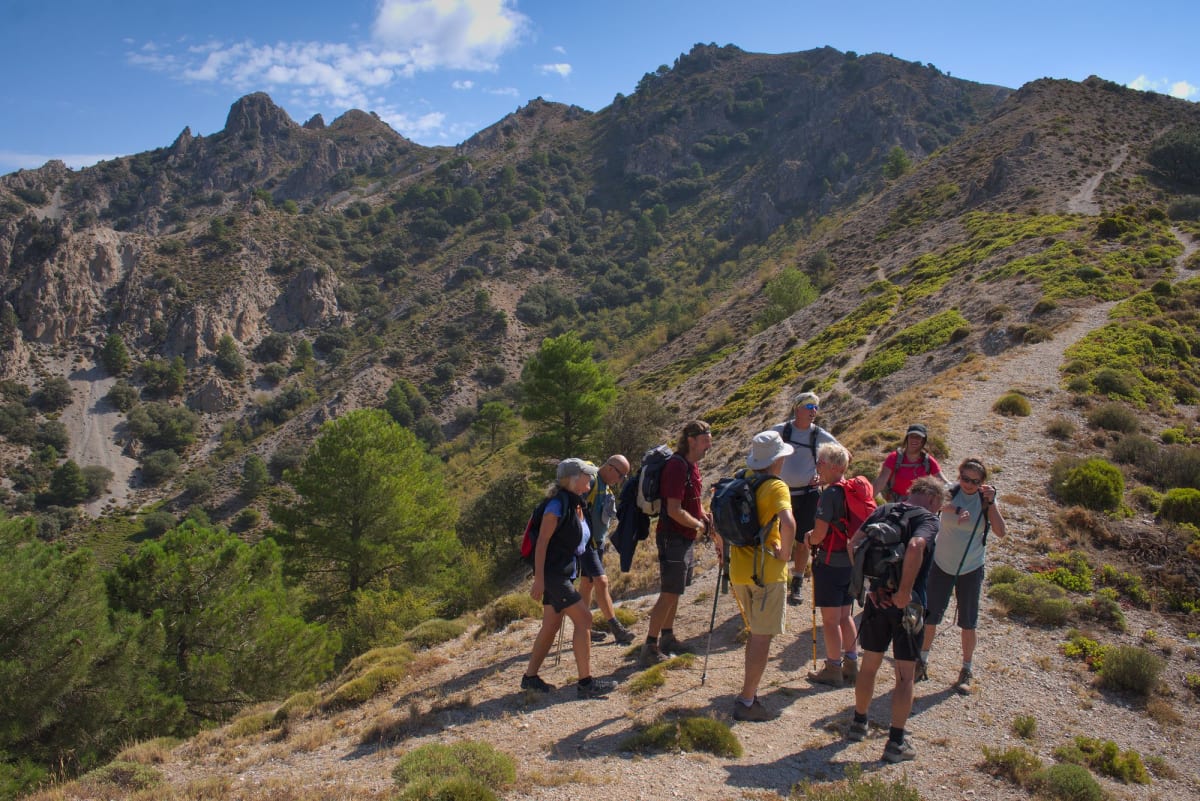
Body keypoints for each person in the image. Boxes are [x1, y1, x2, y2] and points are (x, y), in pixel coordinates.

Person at [846, 476, 946, 763]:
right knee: (904, 675)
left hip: (877, 602)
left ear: (911, 492)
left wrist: (870, 589)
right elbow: (916, 547)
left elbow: (853, 545)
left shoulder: (884, 510)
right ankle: (896, 742)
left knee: (869, 666)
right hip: (909, 607)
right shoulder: (928, 519)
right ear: (934, 501)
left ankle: (858, 723)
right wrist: (903, 592)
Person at [711, 430, 796, 721]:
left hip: (739, 571)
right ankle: (747, 701)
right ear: (776, 460)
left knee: (755, 633)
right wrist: (785, 554)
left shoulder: (740, 478)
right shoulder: (776, 487)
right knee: (762, 636)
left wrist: (723, 552)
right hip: (766, 572)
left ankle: (750, 693)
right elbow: (789, 523)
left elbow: (717, 524)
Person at [521, 458, 618, 699]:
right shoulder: (557, 505)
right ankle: (586, 684)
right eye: (587, 475)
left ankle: (530, 678)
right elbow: (542, 543)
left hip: (563, 573)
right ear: (574, 479)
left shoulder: (576, 503)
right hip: (554, 575)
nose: (591, 478)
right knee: (584, 620)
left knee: (551, 625)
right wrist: (539, 580)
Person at [918, 457, 1006, 694]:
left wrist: (992, 503)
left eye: (974, 481)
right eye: (965, 478)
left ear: (983, 483)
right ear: (959, 476)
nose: (968, 484)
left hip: (970, 568)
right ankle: (922, 661)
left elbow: (1001, 532)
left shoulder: (985, 501)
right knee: (930, 617)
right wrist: (956, 508)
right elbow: (928, 505)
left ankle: (966, 668)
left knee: (968, 621)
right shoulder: (950, 493)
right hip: (941, 564)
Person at [639, 420, 715, 666]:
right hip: (673, 536)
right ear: (691, 440)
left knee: (676, 591)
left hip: (684, 536)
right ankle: (650, 646)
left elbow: (692, 502)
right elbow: (673, 509)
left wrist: (702, 516)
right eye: (705, 441)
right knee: (669, 591)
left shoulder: (692, 466)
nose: (709, 446)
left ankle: (668, 637)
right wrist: (698, 524)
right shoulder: (676, 467)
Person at [771, 392, 840, 606]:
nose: (814, 411)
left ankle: (797, 582)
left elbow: (843, 454)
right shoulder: (780, 431)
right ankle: (775, 582)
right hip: (780, 494)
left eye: (816, 407)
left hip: (808, 495)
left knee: (803, 542)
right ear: (797, 408)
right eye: (809, 406)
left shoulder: (818, 434)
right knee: (777, 540)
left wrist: (826, 477)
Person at [805, 442, 859, 687]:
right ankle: (851, 663)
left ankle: (833, 668)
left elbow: (819, 534)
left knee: (830, 620)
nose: (818, 467)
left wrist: (808, 539)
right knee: (846, 615)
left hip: (829, 562)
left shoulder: (830, 494)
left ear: (833, 466)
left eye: (820, 463)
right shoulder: (852, 489)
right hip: (851, 561)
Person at [580, 454, 635, 645]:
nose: (621, 481)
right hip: (587, 545)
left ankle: (583, 626)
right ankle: (616, 628)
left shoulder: (603, 485)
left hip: (596, 544)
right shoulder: (592, 481)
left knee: (587, 585)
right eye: (621, 476)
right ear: (611, 468)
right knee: (601, 582)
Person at [872, 424, 945, 502]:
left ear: (923, 440)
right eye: (912, 436)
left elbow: (942, 481)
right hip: (895, 502)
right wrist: (867, 500)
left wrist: (955, 489)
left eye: (918, 437)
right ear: (907, 438)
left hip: (918, 503)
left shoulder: (928, 461)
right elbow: (881, 481)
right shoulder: (894, 457)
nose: (914, 440)